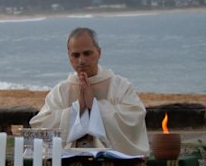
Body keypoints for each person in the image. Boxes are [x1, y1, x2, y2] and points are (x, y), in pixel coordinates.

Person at [29, 27, 149, 156]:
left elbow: (134, 118)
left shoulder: (120, 86)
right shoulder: (61, 91)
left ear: (99, 52)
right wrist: (77, 109)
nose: (81, 60)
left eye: (87, 53)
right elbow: (39, 126)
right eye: (76, 55)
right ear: (69, 57)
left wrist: (94, 106)